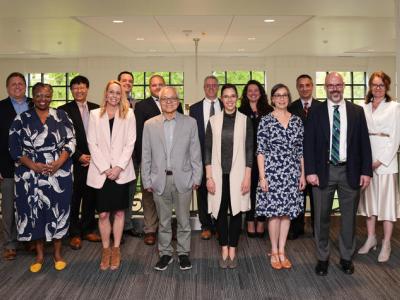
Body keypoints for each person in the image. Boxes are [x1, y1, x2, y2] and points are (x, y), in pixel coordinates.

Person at [304, 72, 372, 276]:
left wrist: (366, 172)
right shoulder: (315, 112)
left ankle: (346, 257)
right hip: (323, 172)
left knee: (349, 218)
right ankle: (322, 258)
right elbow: (309, 144)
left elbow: (364, 144)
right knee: (321, 218)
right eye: (330, 85)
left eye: (338, 85)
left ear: (343, 86)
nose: (335, 88)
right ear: (325, 87)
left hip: (349, 172)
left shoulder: (356, 111)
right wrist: (310, 171)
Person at [9, 83, 76, 272]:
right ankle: (38, 255)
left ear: (51, 95)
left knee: (58, 210)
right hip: (30, 173)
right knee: (34, 211)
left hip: (58, 172)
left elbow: (71, 141)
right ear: (33, 96)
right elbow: (14, 148)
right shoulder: (21, 119)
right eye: (38, 95)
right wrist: (33, 165)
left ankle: (57, 254)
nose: (42, 99)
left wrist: (59, 163)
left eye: (46, 95)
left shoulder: (62, 116)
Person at [141, 86, 202, 271]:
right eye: (165, 99)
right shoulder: (149, 124)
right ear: (159, 101)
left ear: (178, 101)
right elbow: (146, 154)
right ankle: (165, 253)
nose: (169, 101)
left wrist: (197, 177)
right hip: (159, 180)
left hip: (183, 179)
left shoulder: (190, 123)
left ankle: (183, 254)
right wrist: (146, 180)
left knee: (184, 221)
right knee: (164, 221)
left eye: (173, 98)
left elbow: (195, 153)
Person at [86, 80, 136, 270]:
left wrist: (118, 167)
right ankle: (105, 249)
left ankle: (116, 249)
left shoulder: (129, 114)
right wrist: (106, 168)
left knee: (120, 212)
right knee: (105, 213)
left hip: (120, 172)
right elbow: (92, 143)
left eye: (118, 93)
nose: (114, 96)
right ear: (106, 94)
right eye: (111, 92)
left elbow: (130, 143)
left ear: (121, 95)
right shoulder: (94, 115)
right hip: (101, 172)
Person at [256, 83, 305, 270]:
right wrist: (262, 177)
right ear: (272, 99)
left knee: (287, 215)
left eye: (285, 95)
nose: (282, 98)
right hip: (272, 172)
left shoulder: (297, 121)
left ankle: (282, 250)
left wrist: (302, 174)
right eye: (278, 95)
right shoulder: (266, 121)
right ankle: (274, 250)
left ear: (288, 98)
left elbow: (300, 150)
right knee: (274, 215)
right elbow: (260, 151)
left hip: (292, 173)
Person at [205, 83, 253, 269]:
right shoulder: (213, 120)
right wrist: (209, 177)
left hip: (239, 175)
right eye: (226, 96)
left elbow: (250, 151)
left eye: (233, 96)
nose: (230, 99)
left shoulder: (245, 120)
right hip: (218, 175)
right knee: (220, 213)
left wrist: (247, 177)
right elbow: (207, 150)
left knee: (236, 213)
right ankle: (223, 247)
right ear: (221, 99)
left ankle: (233, 248)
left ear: (237, 98)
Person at [134, 74, 183, 245]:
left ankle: (169, 227)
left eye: (160, 84)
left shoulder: (176, 104)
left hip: (172, 161)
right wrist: (143, 160)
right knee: (149, 196)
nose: (157, 87)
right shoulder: (141, 106)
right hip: (151, 160)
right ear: (149, 87)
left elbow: (181, 131)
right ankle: (150, 229)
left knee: (172, 195)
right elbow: (140, 135)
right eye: (154, 85)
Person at [358, 71, 400, 262]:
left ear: (387, 87)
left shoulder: (394, 107)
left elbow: (396, 138)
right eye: (374, 85)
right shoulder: (363, 107)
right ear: (370, 87)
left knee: (386, 205)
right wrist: (365, 161)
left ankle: (386, 243)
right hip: (366, 161)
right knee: (369, 204)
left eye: (381, 85)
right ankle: (371, 238)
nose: (377, 88)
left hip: (385, 163)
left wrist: (380, 161)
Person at [59, 75, 101, 250]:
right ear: (71, 90)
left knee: (91, 196)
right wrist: (78, 156)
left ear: (87, 88)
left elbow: (101, 135)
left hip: (94, 160)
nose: (79, 90)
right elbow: (61, 138)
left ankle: (88, 229)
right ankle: (74, 233)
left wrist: (93, 156)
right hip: (72, 161)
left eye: (82, 87)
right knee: (74, 198)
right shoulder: (62, 110)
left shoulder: (96, 109)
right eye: (75, 88)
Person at [0, 72, 33, 261]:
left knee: (28, 205)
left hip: (32, 167)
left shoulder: (34, 104)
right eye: (14, 84)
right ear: (7, 87)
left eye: (21, 83)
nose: (18, 86)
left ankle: (27, 239)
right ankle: (10, 244)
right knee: (8, 207)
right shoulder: (0, 107)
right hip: (7, 166)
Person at [288, 74, 322, 239]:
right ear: (297, 88)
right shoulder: (290, 107)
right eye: (301, 85)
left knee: (317, 199)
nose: (304, 88)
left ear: (312, 86)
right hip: (296, 160)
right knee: (297, 197)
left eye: (307, 85)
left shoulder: (322, 107)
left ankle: (318, 230)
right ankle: (297, 228)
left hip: (317, 160)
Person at [189, 75, 223, 240]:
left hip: (222, 158)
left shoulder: (226, 105)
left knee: (220, 191)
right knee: (202, 192)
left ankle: (219, 224)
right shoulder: (194, 108)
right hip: (200, 157)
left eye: (214, 85)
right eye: (208, 85)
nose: (211, 87)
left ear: (218, 87)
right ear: (204, 87)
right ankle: (206, 225)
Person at [239, 80, 273, 239]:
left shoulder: (269, 111)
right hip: (246, 158)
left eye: (256, 90)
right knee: (249, 191)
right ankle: (250, 220)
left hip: (266, 158)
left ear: (261, 93)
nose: (253, 93)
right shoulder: (240, 111)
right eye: (250, 90)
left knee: (263, 190)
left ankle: (261, 220)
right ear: (246, 94)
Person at [117, 71, 141, 238]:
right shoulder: (111, 103)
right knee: (116, 193)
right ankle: (115, 226)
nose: (127, 83)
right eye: (124, 80)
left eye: (130, 81)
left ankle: (127, 224)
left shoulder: (138, 105)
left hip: (134, 157)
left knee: (130, 192)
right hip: (116, 158)